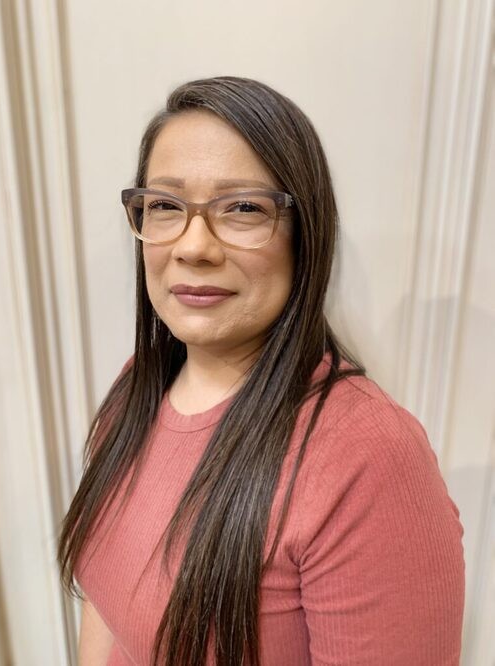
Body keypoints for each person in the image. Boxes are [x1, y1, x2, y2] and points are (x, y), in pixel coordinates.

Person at [57, 76, 465, 666]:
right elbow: (106, 609)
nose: (193, 247)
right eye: (165, 205)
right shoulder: (136, 389)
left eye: (244, 208)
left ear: (306, 233)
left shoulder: (369, 459)